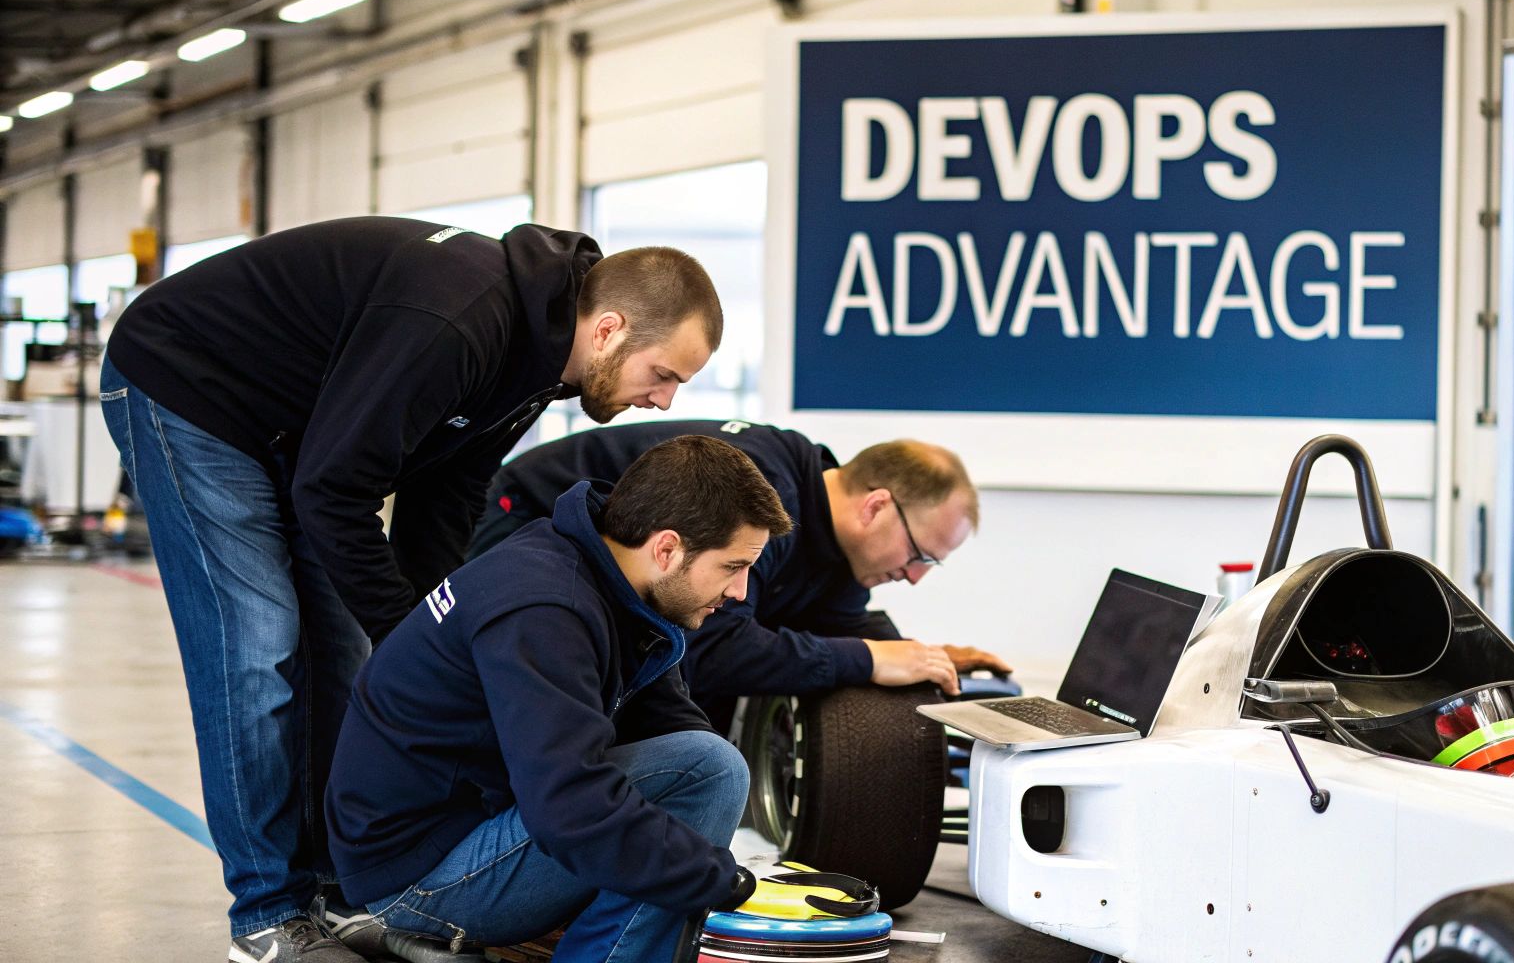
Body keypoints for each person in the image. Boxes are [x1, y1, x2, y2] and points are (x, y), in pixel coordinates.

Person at [98, 217, 721, 963]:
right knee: (258, 648)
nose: (662, 400)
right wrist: (409, 636)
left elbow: (445, 497)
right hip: (188, 388)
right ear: (610, 329)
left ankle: (330, 894)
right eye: (663, 374)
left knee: (338, 654)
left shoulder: (539, 359)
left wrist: (434, 632)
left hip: (301, 432)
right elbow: (334, 490)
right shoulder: (459, 320)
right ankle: (267, 915)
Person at [326, 435, 795, 960]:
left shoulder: (596, 571)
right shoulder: (547, 609)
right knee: (710, 774)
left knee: (703, 769)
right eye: (733, 566)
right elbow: (568, 807)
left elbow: (667, 722)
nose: (740, 593)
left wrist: (712, 862)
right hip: (421, 876)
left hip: (462, 829)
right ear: (666, 548)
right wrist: (722, 882)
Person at [468, 420, 1009, 726]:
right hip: (524, 516)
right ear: (876, 507)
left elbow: (837, 628)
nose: (915, 577)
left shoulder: (842, 551)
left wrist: (926, 661)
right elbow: (711, 649)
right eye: (920, 556)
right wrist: (866, 658)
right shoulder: (765, 495)